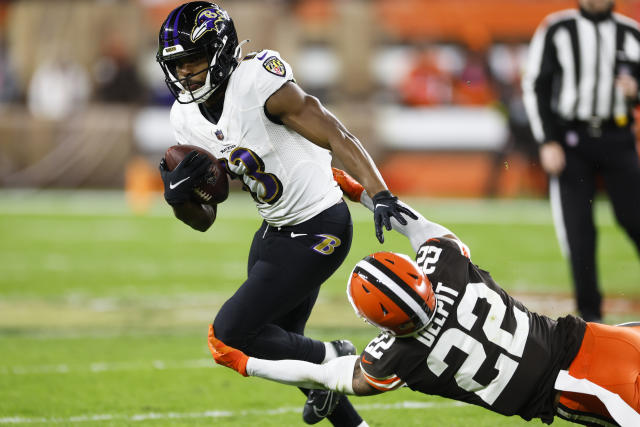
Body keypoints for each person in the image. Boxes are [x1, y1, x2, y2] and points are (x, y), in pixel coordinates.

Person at [210, 169, 640, 426]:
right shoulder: (447, 266)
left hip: (573, 390)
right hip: (595, 339)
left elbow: (327, 377)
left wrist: (247, 363)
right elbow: (415, 224)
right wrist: (359, 191)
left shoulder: (397, 356)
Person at [155, 3, 416, 426]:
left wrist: (379, 191)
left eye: (194, 61)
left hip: (319, 225)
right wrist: (179, 198)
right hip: (273, 232)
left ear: (219, 52)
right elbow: (205, 218)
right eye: (177, 66)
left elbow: (334, 131)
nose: (185, 74)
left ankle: (335, 355)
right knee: (282, 349)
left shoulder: (257, 82)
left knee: (234, 333)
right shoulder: (184, 118)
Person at [521, 0, 640, 322]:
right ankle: (591, 319)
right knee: (579, 232)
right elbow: (536, 85)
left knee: (635, 218)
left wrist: (636, 91)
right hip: (571, 142)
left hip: (619, 138)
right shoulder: (558, 28)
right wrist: (547, 140)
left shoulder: (631, 32)